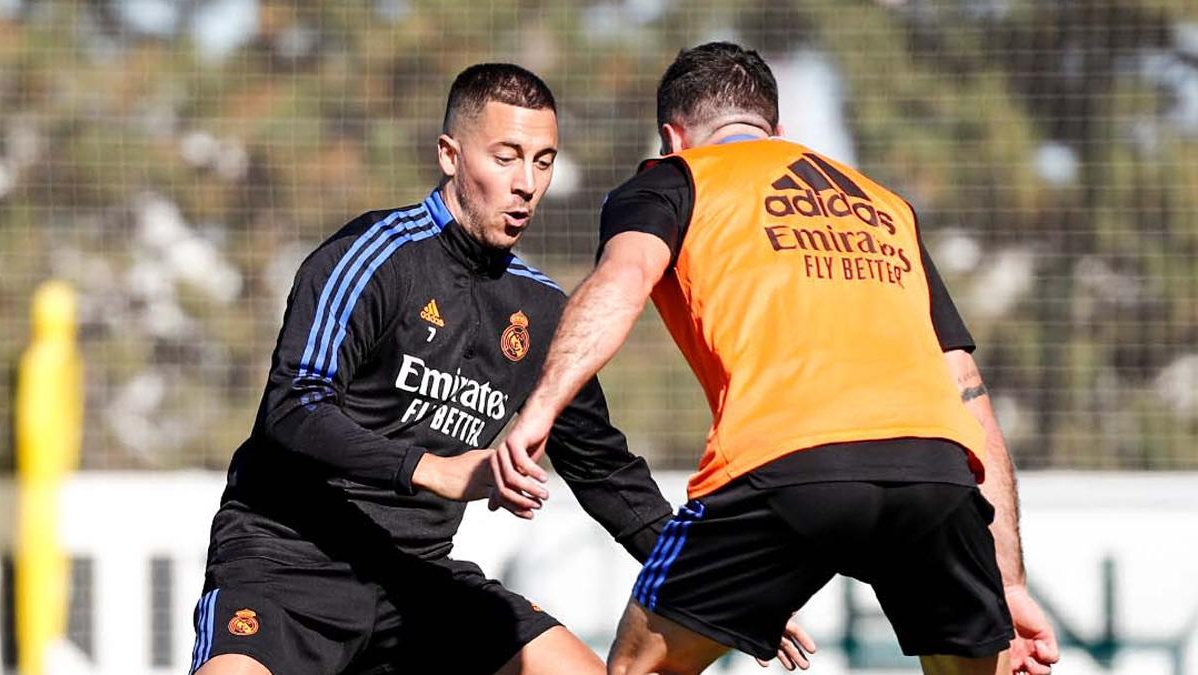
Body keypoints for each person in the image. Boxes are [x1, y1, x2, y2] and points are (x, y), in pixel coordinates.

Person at [491, 42, 1061, 675]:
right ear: (777, 130)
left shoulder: (675, 179)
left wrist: (540, 409)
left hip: (784, 464)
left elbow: (620, 281)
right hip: (937, 476)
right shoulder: (883, 206)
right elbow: (966, 386)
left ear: (673, 138)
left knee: (636, 668)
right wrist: (1008, 582)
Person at [188, 63, 683, 675]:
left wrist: (711, 584)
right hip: (288, 562)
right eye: (506, 157)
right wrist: (432, 470)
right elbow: (293, 406)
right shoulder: (374, 256)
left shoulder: (542, 309)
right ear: (450, 155)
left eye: (543, 161)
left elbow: (602, 466)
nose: (527, 184)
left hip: (416, 578)